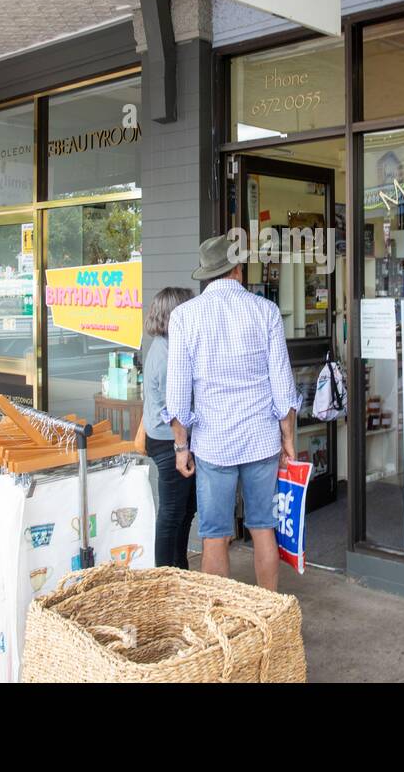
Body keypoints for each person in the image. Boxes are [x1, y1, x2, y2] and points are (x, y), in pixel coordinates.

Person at [164, 235, 300, 591]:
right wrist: (288, 441)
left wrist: (181, 446)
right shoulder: (265, 311)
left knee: (214, 535)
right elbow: (283, 389)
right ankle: (269, 614)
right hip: (260, 439)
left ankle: (222, 619)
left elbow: (178, 394)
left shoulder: (184, 317)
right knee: (262, 527)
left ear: (207, 275)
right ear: (237, 270)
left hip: (213, 442)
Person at [142, 286, 196, 568]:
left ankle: (178, 565)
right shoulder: (165, 356)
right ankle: (165, 572)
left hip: (168, 440)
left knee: (185, 509)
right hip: (169, 442)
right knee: (173, 511)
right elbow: (172, 410)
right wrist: (182, 447)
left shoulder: (167, 346)